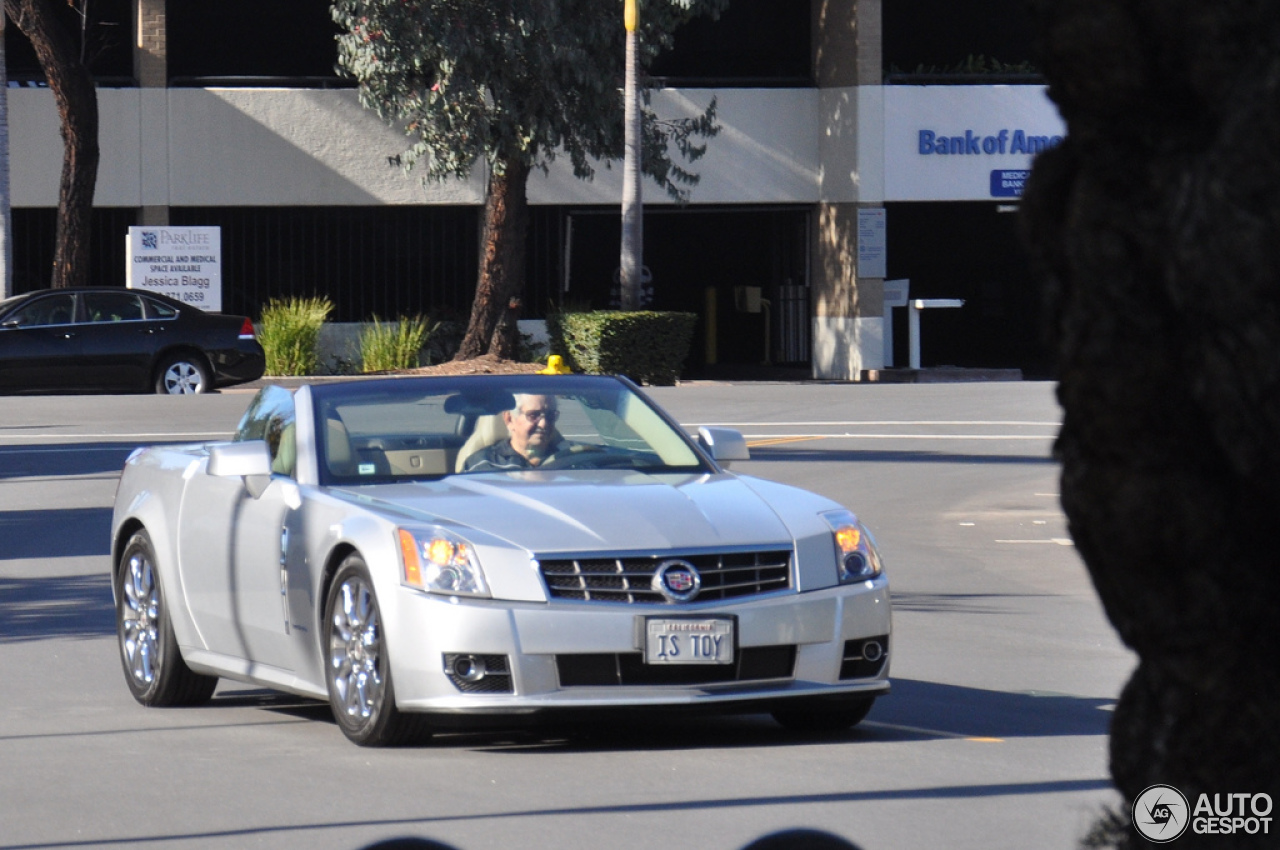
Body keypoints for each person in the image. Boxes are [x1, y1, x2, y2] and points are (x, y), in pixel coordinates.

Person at [462, 393, 571, 471]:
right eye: (533, 415)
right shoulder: (482, 465)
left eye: (550, 415)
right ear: (509, 419)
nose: (544, 423)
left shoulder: (572, 458)